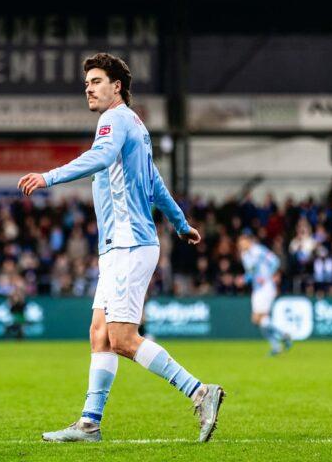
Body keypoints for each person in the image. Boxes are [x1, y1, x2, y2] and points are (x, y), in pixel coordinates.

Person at [17, 53, 224, 444]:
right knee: (99, 333)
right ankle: (89, 424)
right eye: (86, 84)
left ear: (117, 86)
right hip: (118, 246)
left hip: (129, 243)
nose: (89, 89)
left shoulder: (113, 120)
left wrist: (49, 177)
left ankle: (199, 392)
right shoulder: (136, 125)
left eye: (96, 81)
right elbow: (155, 183)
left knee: (123, 339)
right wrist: (181, 224)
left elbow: (102, 157)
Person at [237, 230, 292, 356]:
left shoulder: (258, 251)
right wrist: (244, 279)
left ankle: (282, 337)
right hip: (257, 289)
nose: (240, 244)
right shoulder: (245, 256)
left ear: (249, 240)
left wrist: (267, 276)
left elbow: (275, 261)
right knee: (261, 320)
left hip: (266, 287)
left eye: (242, 241)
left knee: (257, 318)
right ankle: (278, 343)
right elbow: (251, 273)